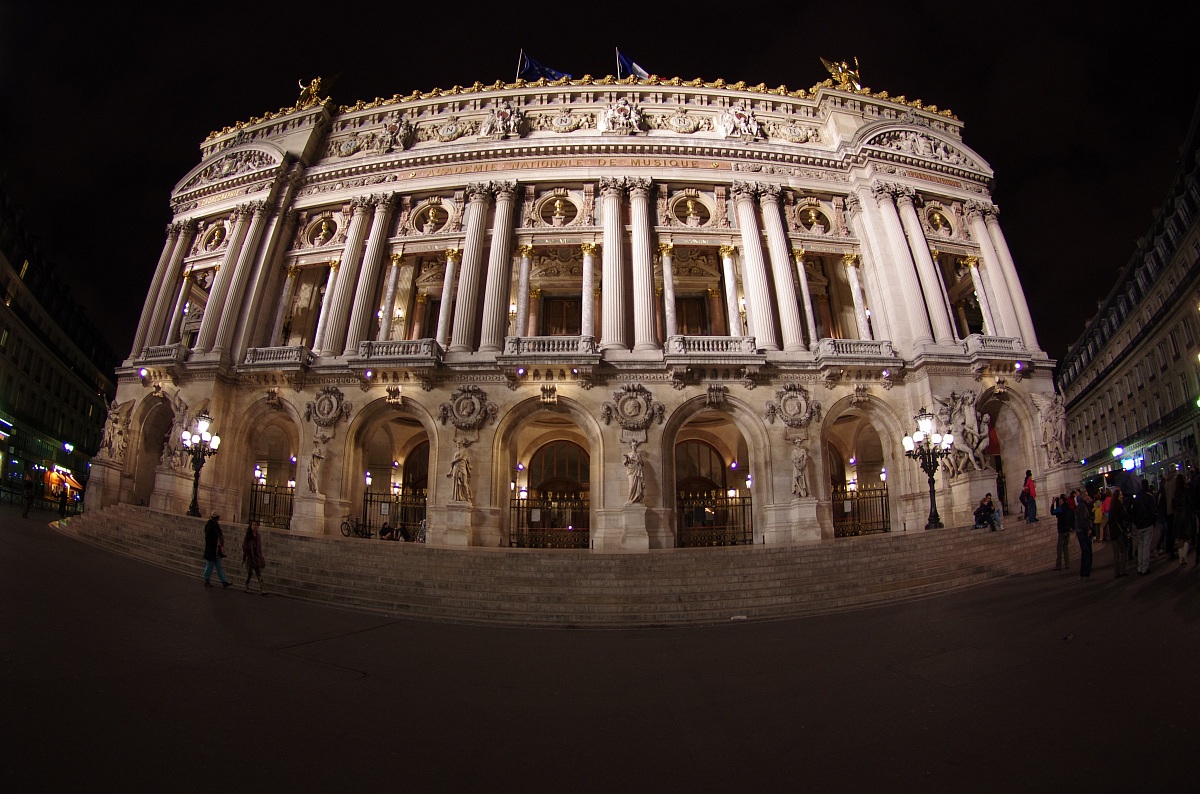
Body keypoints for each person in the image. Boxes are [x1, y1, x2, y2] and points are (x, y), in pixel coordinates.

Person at [1131, 478, 1158, 575]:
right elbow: (1153, 512)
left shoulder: (1136, 499)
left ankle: (1140, 566)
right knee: (1146, 546)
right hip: (1147, 524)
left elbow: (1133, 514)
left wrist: (1137, 523)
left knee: (1141, 545)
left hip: (1140, 525)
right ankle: (1145, 567)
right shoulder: (1149, 497)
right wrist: (1153, 522)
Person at [202, 512, 232, 588]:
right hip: (212, 549)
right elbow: (208, 538)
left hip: (217, 549)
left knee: (218, 566)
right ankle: (207, 579)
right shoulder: (210, 525)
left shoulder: (215, 525)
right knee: (210, 565)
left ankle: (224, 581)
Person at [1108, 487, 1131, 577]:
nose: (1122, 497)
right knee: (1124, 550)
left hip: (1113, 532)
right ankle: (1123, 569)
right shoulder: (1119, 506)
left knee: (1116, 553)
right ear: (1118, 496)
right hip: (1119, 531)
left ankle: (1116, 572)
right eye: (1121, 495)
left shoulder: (1111, 507)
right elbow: (1124, 516)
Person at [241, 520, 267, 594]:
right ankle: (247, 586)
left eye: (255, 525)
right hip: (250, 556)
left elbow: (259, 547)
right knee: (250, 572)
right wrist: (247, 554)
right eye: (253, 525)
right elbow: (244, 545)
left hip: (256, 556)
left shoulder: (258, 535)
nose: (254, 526)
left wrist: (260, 556)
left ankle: (262, 589)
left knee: (258, 572)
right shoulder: (248, 535)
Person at [1074, 489, 1095, 580]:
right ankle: (1086, 574)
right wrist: (1088, 529)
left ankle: (1083, 574)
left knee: (1084, 553)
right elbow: (1083, 519)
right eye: (1086, 495)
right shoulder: (1083, 506)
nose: (1088, 497)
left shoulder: (1080, 506)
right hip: (1083, 531)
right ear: (1083, 497)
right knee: (1087, 553)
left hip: (1080, 531)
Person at [1052, 493, 1073, 570]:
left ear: (1062, 500)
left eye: (1060, 499)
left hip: (1062, 531)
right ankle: (1067, 564)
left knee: (1059, 548)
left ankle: (1058, 565)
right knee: (1066, 548)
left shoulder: (1061, 508)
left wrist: (1052, 504)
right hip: (1067, 530)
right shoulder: (1067, 507)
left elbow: (1053, 512)